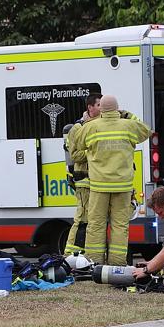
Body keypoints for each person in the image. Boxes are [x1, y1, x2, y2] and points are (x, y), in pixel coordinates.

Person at [75, 95, 150, 265]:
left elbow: (77, 144)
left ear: (100, 108)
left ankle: (94, 264)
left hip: (98, 186)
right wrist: (128, 115)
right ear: (117, 108)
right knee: (120, 226)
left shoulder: (91, 127)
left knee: (96, 225)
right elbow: (146, 130)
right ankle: (117, 264)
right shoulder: (129, 125)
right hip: (123, 186)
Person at [64, 93, 102, 255]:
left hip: (98, 181)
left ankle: (86, 255)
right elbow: (74, 155)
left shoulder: (100, 125)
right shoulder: (78, 128)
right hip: (84, 181)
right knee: (82, 219)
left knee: (94, 220)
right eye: (99, 105)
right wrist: (95, 151)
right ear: (90, 107)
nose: (102, 108)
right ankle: (70, 255)